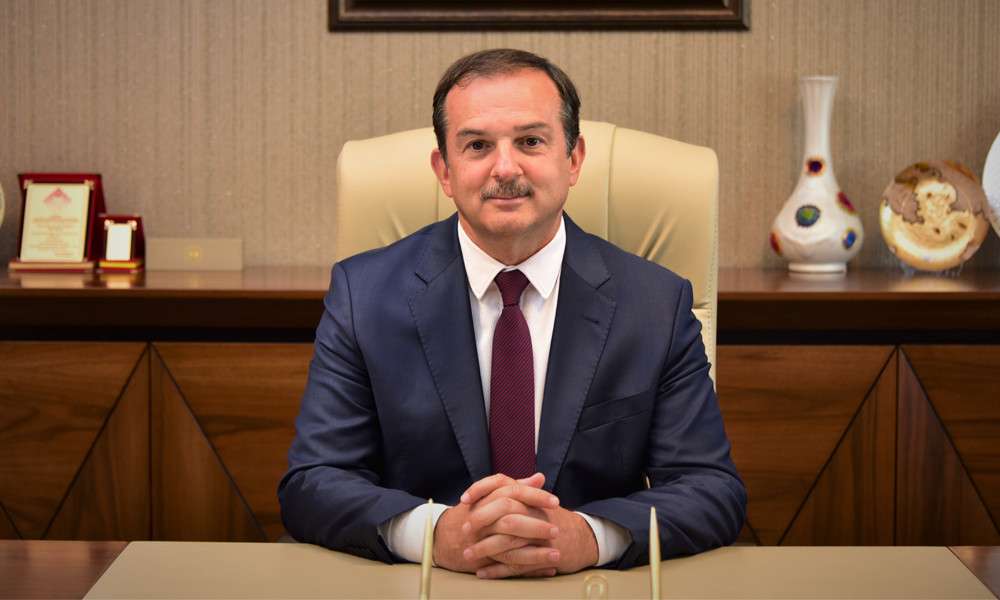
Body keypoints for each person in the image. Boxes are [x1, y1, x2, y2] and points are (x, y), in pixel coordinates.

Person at [279, 48, 745, 579]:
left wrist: (587, 537)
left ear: (573, 159)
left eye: (530, 141)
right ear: (444, 170)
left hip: (587, 586)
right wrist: (435, 534)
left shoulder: (655, 303)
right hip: (424, 584)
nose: (505, 168)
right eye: (477, 145)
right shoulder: (362, 295)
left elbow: (711, 489)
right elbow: (313, 481)